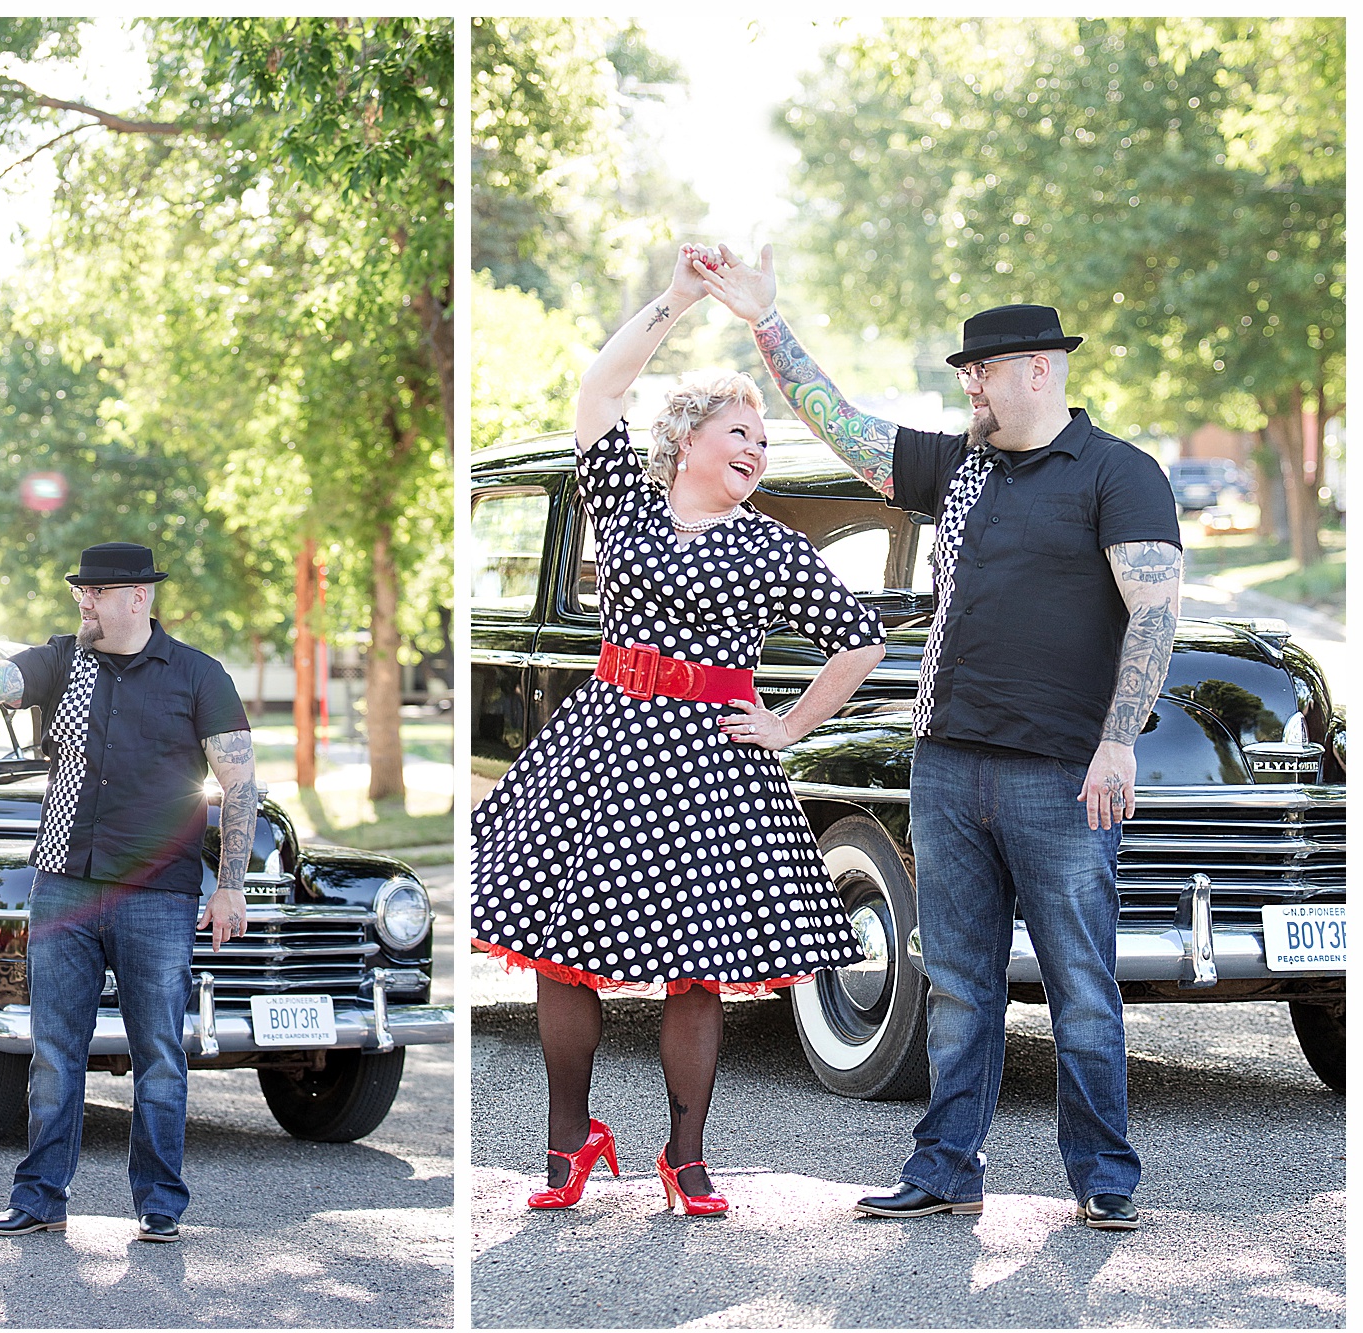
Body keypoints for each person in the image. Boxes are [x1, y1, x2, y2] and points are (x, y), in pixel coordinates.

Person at [695, 245, 1183, 1231]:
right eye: (965, 373)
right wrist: (766, 324)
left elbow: (1155, 614)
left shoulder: (1120, 473)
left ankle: (1102, 1175)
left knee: (1082, 982)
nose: (970, 386)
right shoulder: (958, 463)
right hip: (949, 762)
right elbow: (840, 427)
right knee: (957, 983)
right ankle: (947, 1166)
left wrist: (1119, 739)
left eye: (984, 372)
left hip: (1059, 775)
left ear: (1039, 369)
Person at [471, 244, 888, 1216]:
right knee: (561, 948)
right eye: (741, 430)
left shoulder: (770, 546)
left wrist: (785, 726)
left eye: (766, 441)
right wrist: (676, 299)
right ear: (689, 435)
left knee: (694, 969)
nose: (757, 449)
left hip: (709, 759)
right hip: (608, 741)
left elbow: (857, 642)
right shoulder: (623, 501)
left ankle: (686, 1155)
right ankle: (569, 1142)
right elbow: (598, 387)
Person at [0, 542, 256, 1244]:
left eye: (98, 591)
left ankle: (160, 1204)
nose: (83, 601)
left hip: (157, 895)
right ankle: (42, 1197)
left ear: (139, 597)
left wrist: (229, 887)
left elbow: (240, 785)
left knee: (159, 1051)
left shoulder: (199, 675)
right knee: (53, 1052)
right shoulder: (61, 660)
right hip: (62, 888)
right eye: (80, 590)